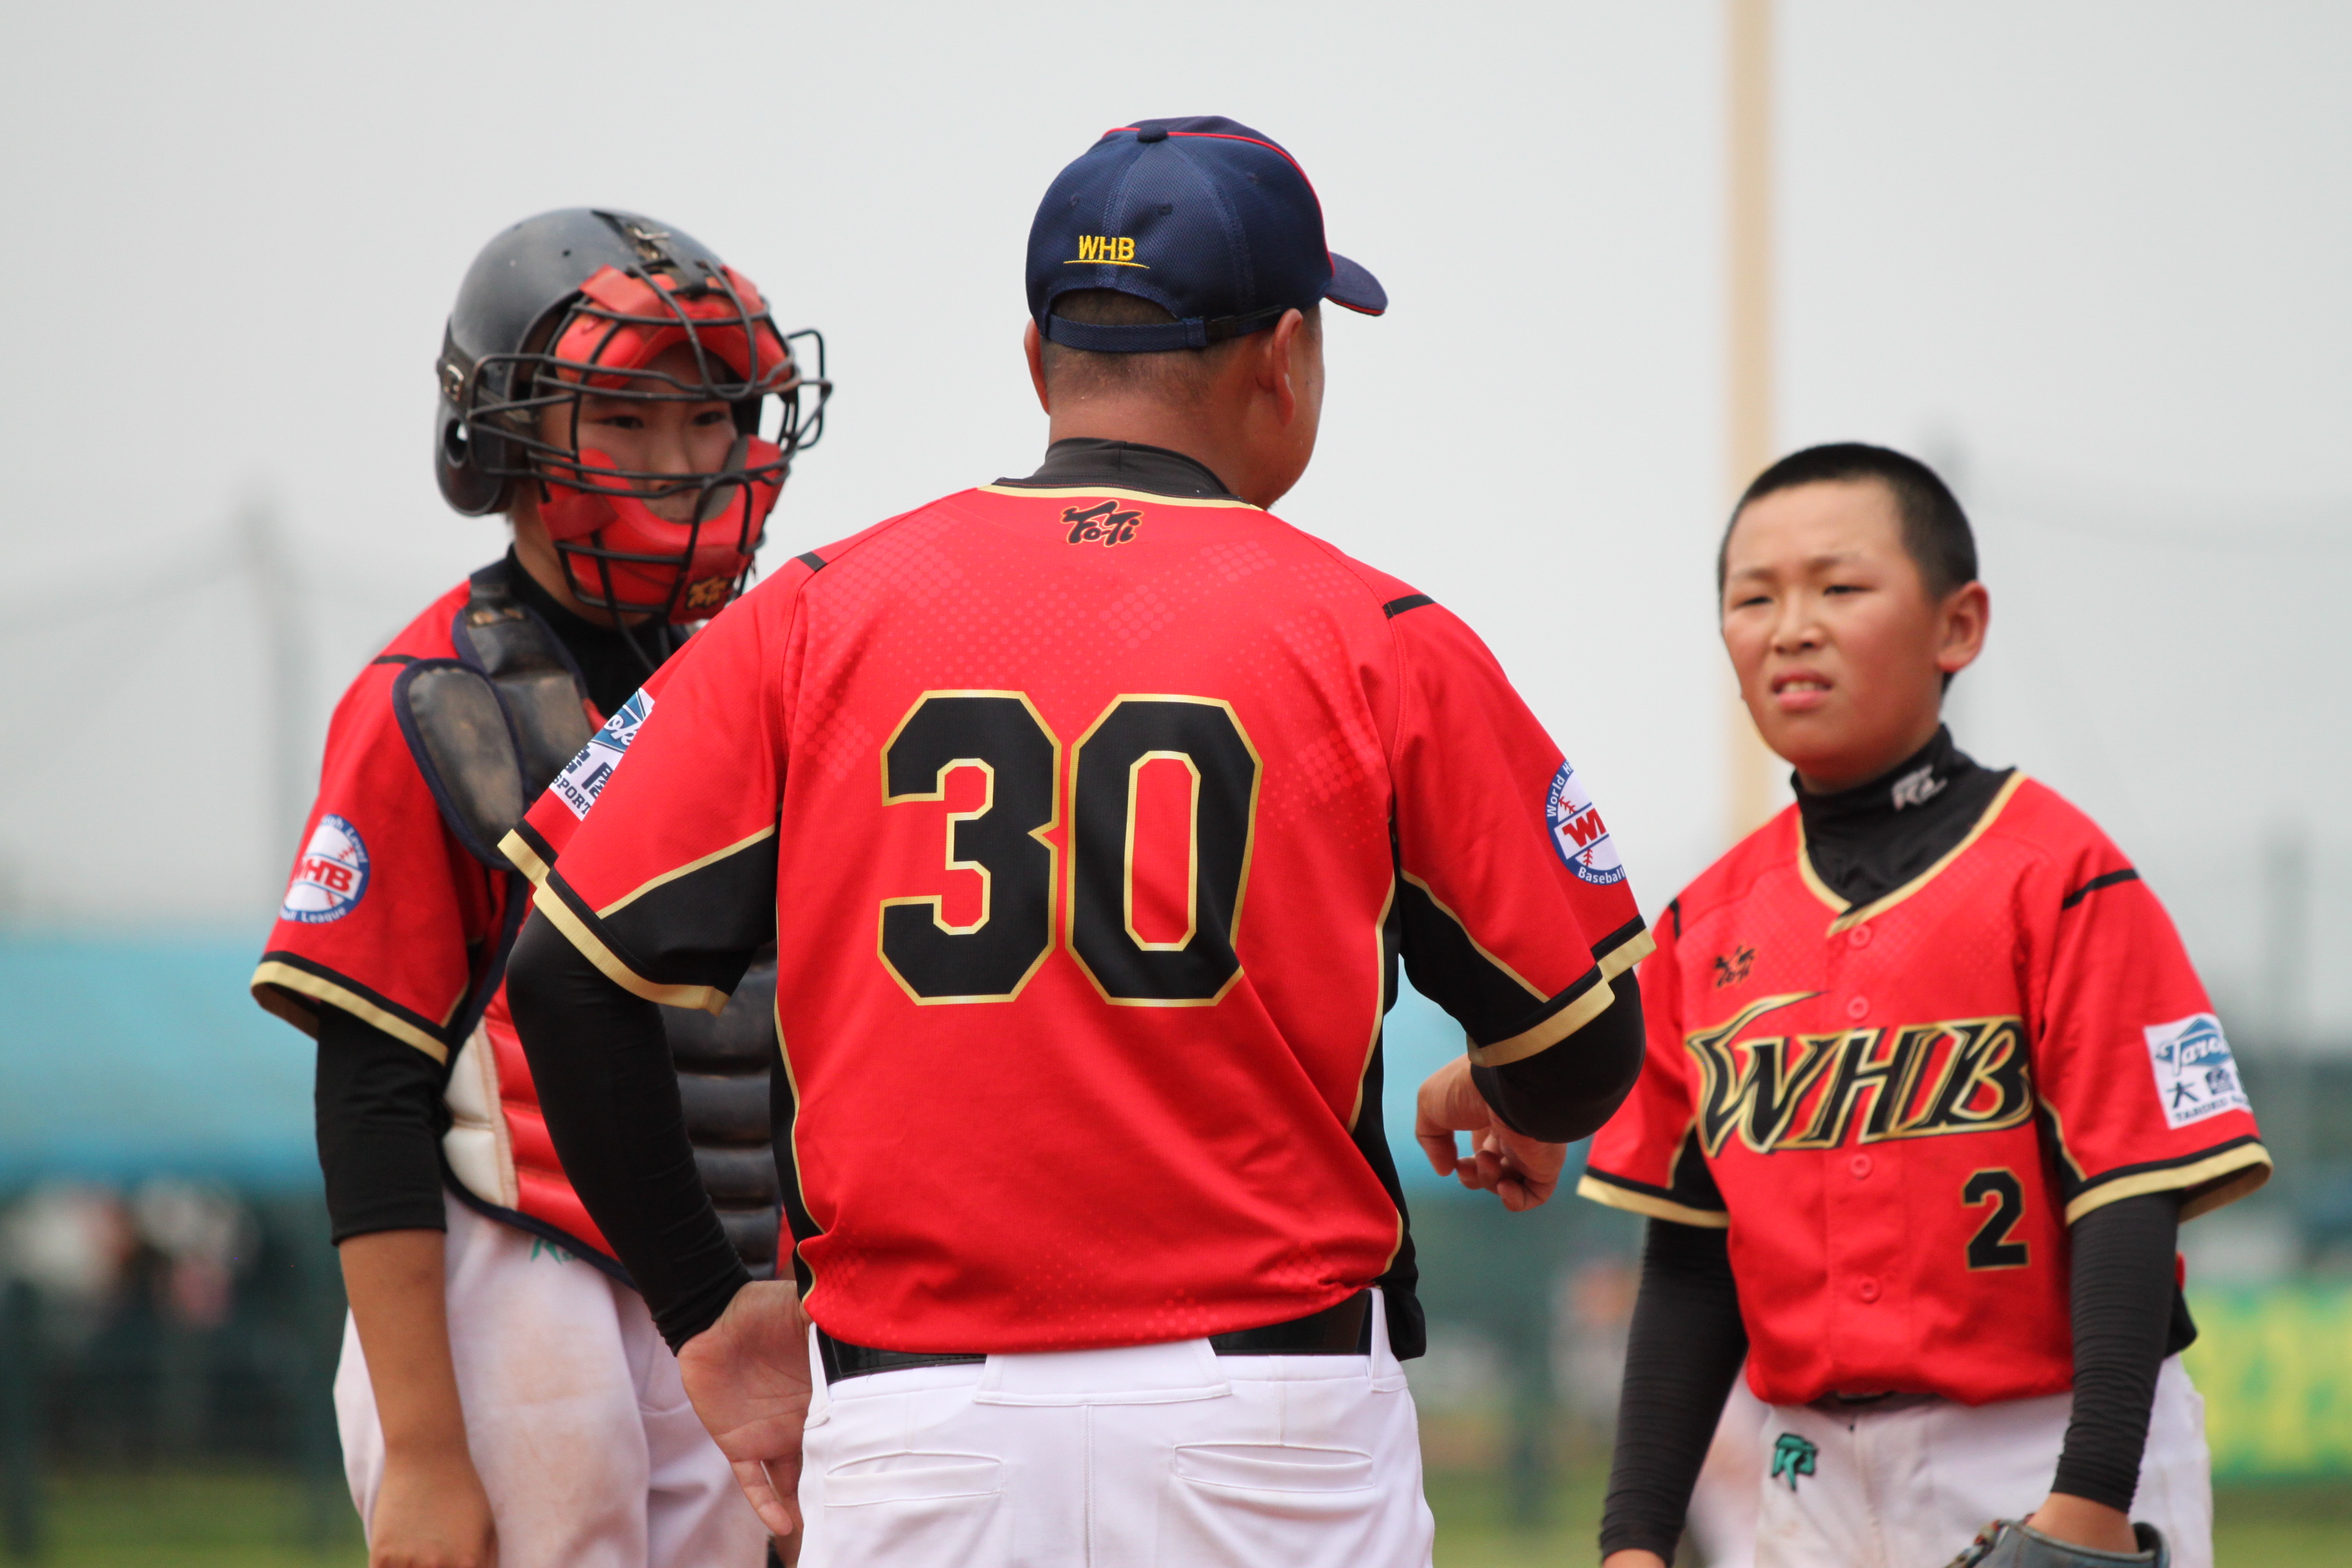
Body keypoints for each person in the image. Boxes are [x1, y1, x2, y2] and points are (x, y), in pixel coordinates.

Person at [496, 116, 1652, 1568]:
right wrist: (1505, 1088)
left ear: (1040, 360)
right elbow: (1585, 1050)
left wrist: (704, 1311)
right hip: (1270, 1424)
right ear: (1285, 356)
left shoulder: (811, 617)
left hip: (922, 1429)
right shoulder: (1379, 637)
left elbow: (562, 975)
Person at [249, 207, 828, 1568]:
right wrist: (425, 1455)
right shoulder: (434, 698)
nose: (683, 462)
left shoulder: (774, 673)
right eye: (626, 417)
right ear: (504, 437)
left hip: (732, 1278)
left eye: (713, 417)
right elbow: (373, 1089)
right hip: (514, 1272)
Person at [1575, 444, 2268, 1568]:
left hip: (2048, 1443)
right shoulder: (1702, 928)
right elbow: (1694, 1261)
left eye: (1840, 587)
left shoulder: (2060, 877)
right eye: (1754, 599)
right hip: (1807, 1474)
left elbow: (2129, 1199)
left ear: (1959, 626)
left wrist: (2090, 1495)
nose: (1792, 628)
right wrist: (1636, 1541)